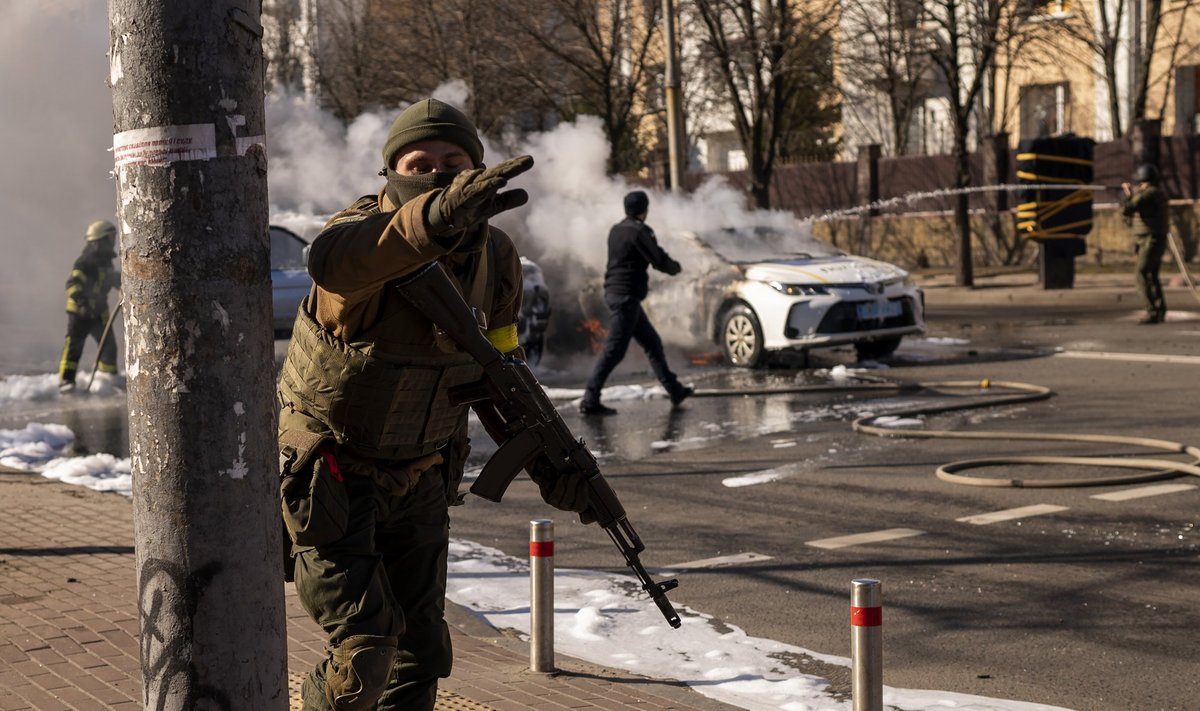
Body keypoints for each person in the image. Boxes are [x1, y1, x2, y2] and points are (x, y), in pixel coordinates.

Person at [275, 98, 592, 711]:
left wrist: (552, 459)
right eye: (420, 163)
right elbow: (333, 264)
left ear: (478, 167)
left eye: (455, 162)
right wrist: (433, 220)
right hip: (332, 476)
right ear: (390, 173)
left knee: (419, 658)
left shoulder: (496, 257)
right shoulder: (356, 238)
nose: (439, 174)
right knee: (364, 657)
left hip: (421, 473)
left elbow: (501, 366)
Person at [579, 190, 693, 416]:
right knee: (614, 351)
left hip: (618, 294)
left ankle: (675, 390)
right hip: (626, 297)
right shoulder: (640, 231)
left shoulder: (616, 229)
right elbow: (659, 260)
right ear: (644, 210)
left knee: (652, 343)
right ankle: (590, 399)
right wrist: (676, 267)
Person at [58, 220, 121, 393]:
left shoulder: (106, 262)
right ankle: (66, 381)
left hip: (99, 312)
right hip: (80, 312)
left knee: (108, 346)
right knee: (74, 347)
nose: (114, 240)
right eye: (110, 237)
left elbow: (109, 279)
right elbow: (72, 283)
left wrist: (123, 283)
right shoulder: (85, 261)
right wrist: (83, 303)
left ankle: (108, 379)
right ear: (99, 239)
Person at [1121, 163, 1169, 324]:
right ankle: (1159, 309)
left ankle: (1152, 311)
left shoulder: (1149, 194)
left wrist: (1128, 195)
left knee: (1141, 274)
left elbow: (1129, 208)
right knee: (1151, 275)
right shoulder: (1155, 193)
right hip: (1150, 240)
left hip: (1151, 240)